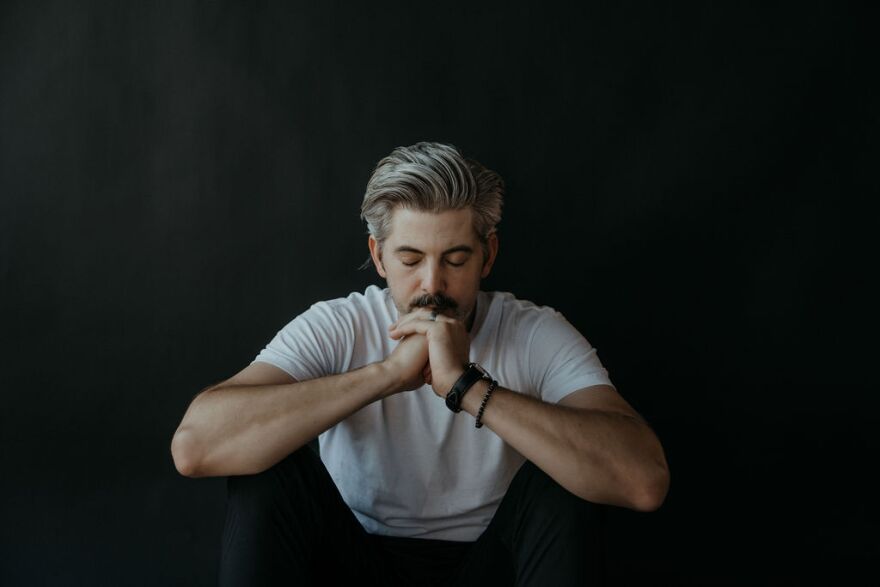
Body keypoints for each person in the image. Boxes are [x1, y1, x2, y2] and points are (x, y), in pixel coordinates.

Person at [171, 141, 670, 586]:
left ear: (487, 256)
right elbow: (195, 447)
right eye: (410, 260)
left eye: (455, 260)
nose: (433, 285)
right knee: (265, 465)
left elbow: (643, 482)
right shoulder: (338, 325)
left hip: (491, 564)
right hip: (354, 561)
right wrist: (386, 375)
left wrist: (467, 386)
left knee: (570, 471)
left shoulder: (535, 332)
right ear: (380, 256)